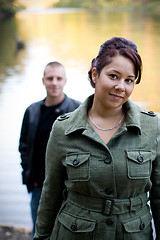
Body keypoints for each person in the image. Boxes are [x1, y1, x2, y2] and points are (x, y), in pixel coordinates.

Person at [33, 38, 160, 240]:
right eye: (113, 76)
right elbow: (50, 196)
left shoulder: (153, 126)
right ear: (95, 74)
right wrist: (41, 237)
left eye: (129, 80)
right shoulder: (63, 128)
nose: (121, 86)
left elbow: (158, 197)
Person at [18, 61, 81, 237]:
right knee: (39, 232)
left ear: (65, 81)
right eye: (50, 78)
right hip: (39, 185)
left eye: (58, 78)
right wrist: (30, 177)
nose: (54, 82)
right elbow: (24, 147)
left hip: (69, 187)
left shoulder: (78, 110)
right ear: (43, 81)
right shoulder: (32, 111)